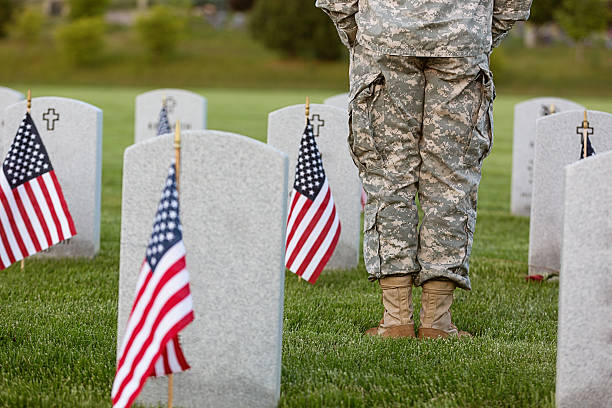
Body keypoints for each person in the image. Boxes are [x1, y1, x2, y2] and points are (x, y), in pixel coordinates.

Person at [316, 0, 532, 338]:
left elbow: (338, 4)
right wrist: (473, 31)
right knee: (452, 180)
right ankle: (436, 322)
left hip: (386, 38)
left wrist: (367, 31)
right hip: (461, 41)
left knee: (389, 174)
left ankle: (396, 320)